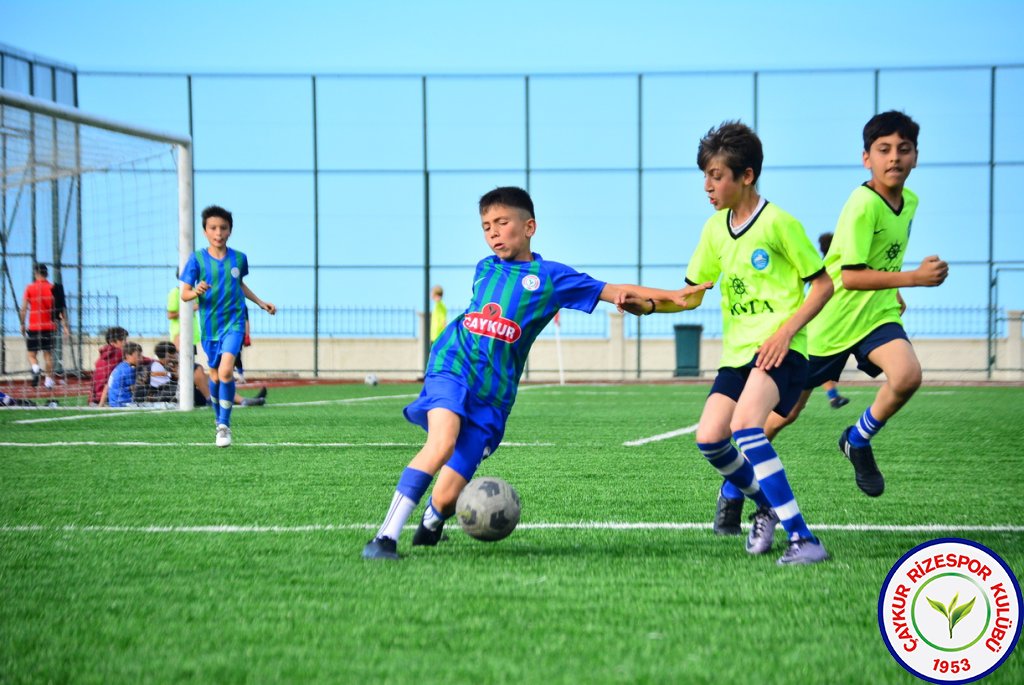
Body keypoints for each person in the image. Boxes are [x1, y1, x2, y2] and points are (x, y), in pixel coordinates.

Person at [362, 186, 708, 561]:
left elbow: (615, 291)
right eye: (486, 226)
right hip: (452, 367)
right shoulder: (485, 268)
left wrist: (672, 297)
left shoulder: (552, 278)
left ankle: (431, 522)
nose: (493, 232)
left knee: (446, 498)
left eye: (502, 223)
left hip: (493, 396)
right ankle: (384, 538)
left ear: (529, 227)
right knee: (441, 442)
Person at [626, 122, 834, 565]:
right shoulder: (714, 230)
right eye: (705, 176)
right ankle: (766, 505)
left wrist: (785, 331)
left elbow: (822, 286)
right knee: (710, 438)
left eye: (716, 176)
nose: (707, 185)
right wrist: (648, 307)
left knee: (745, 427)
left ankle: (805, 540)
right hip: (738, 356)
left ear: (747, 176)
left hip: (782, 351)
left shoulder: (780, 223)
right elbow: (692, 295)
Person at [762, 111, 947, 498]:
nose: (894, 157)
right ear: (867, 158)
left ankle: (857, 441)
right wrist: (912, 278)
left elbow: (881, 260)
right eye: (884, 150)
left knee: (908, 376)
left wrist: (894, 290)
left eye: (903, 149)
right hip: (829, 319)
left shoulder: (909, 202)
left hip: (875, 315)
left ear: (916, 156)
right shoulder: (862, 204)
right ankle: (733, 487)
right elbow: (849, 276)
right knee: (784, 415)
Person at [180, 205, 276, 447]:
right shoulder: (197, 259)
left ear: (230, 231)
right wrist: (196, 291)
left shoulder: (239, 258)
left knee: (224, 372)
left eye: (223, 228)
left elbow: (239, 285)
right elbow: (184, 295)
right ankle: (218, 419)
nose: (218, 232)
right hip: (210, 327)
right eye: (213, 228)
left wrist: (260, 302)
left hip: (234, 323)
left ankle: (224, 426)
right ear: (205, 231)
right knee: (213, 374)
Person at [19, 263, 70, 389]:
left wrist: (22, 324)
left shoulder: (29, 288)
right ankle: (48, 380)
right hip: (49, 327)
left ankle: (36, 368)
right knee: (48, 356)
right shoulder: (53, 288)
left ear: (35, 274)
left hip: (34, 327)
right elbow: (61, 309)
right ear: (47, 274)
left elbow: (24, 308)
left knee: (31, 355)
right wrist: (65, 326)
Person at [816, 233, 851, 409]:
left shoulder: (820, 268)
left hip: (821, 325)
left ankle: (833, 396)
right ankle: (833, 396)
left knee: (820, 365)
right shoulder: (839, 268)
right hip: (826, 326)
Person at [90, 326, 128, 405]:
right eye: (123, 340)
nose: (126, 343)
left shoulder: (100, 358)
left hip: (95, 398)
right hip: (110, 397)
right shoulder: (120, 353)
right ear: (112, 342)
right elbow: (139, 360)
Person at [100, 341, 142, 408]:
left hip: (113, 402)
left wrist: (101, 405)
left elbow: (107, 385)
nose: (140, 358)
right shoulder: (129, 369)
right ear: (128, 355)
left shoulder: (120, 366)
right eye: (138, 356)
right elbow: (134, 390)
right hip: (123, 403)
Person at [167, 285, 200, 353]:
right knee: (179, 357)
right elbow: (170, 315)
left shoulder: (194, 291)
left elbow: (198, 305)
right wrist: (189, 309)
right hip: (179, 332)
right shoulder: (175, 293)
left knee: (191, 360)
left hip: (193, 333)